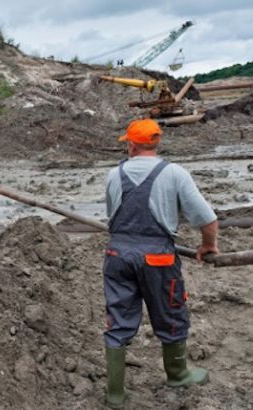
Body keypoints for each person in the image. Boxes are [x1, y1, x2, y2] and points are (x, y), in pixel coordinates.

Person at [103, 118, 219, 408]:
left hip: (117, 257)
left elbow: (113, 219)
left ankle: (115, 394)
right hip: (159, 259)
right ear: (157, 143)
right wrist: (208, 246)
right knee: (171, 313)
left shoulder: (112, 175)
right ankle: (177, 374)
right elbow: (207, 219)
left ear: (131, 144)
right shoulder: (175, 174)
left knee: (118, 319)